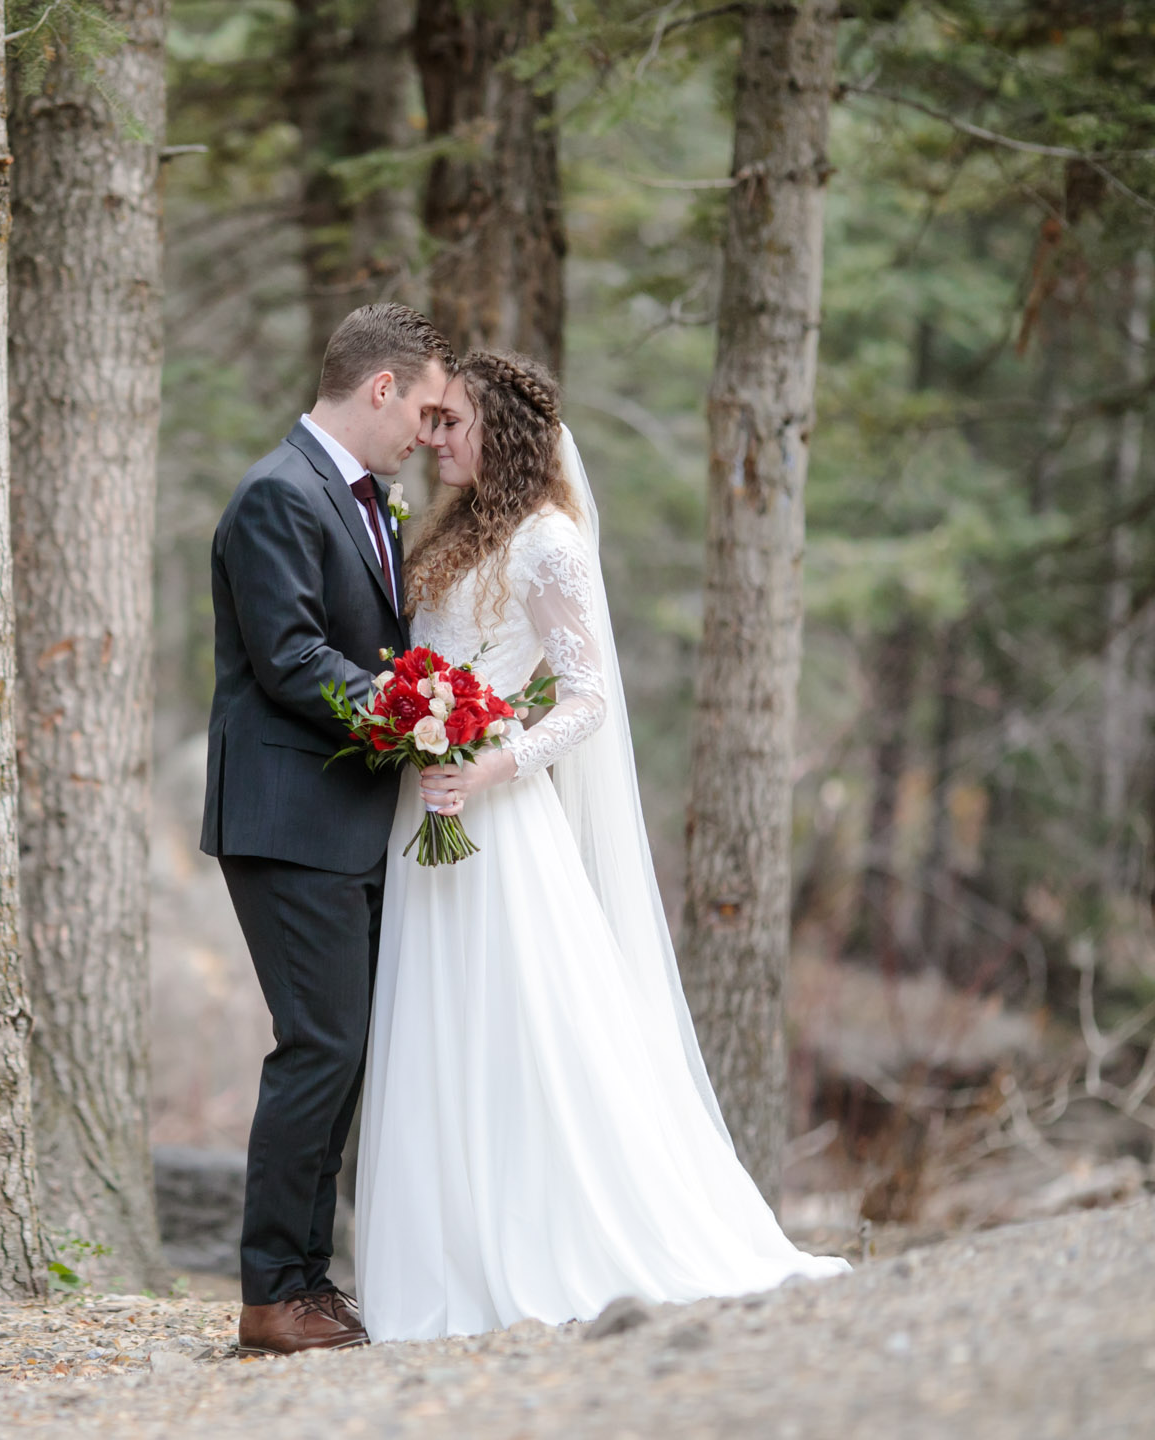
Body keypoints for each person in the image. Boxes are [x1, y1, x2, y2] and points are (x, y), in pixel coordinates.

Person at [355, 349, 850, 1341]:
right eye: (433, 420)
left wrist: (490, 763)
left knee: (524, 1027)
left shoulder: (546, 541)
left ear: (501, 431)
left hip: (497, 816)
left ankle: (555, 1233)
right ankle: (445, 1248)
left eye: (453, 422)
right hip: (430, 803)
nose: (435, 435)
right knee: (438, 1024)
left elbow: (585, 701)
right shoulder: (449, 532)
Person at [200, 301, 452, 1356]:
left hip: (346, 817)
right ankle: (271, 1291)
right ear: (381, 387)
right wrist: (418, 719)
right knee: (321, 1047)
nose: (431, 435)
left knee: (342, 1053)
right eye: (427, 410)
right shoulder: (276, 495)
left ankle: (309, 1279)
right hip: (290, 815)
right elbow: (292, 657)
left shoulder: (368, 504)